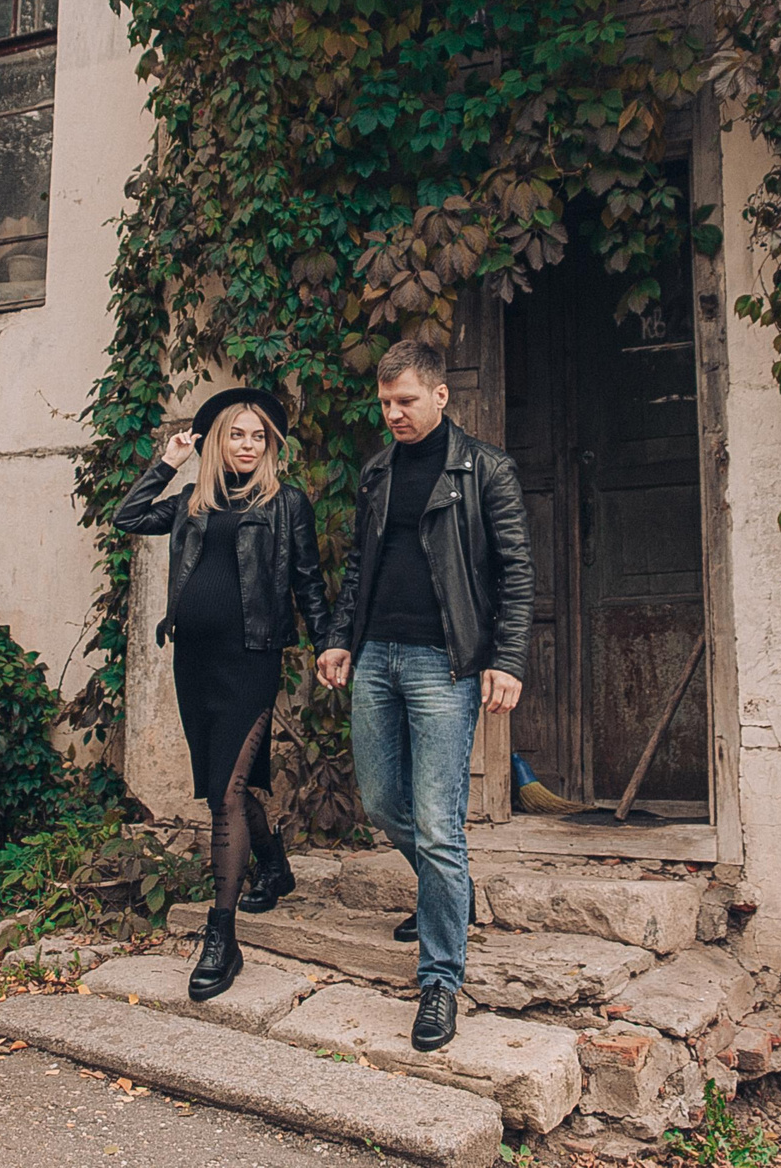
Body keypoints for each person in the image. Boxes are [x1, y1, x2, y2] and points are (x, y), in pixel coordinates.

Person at [315, 339, 532, 1052]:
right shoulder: (378, 471)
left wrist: (506, 659)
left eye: (404, 400)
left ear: (440, 395)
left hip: (445, 663)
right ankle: (449, 895)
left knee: (440, 825)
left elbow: (515, 571)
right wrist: (340, 638)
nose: (393, 414)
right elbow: (359, 566)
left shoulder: (486, 469)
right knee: (383, 803)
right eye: (385, 403)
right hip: (377, 655)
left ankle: (440, 979)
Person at [113, 387, 330, 1002]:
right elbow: (128, 517)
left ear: (270, 446)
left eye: (258, 436)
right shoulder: (191, 501)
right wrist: (168, 460)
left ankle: (222, 935)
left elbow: (309, 582)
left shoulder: (286, 503)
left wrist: (329, 647)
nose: (248, 445)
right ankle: (275, 866)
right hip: (194, 662)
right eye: (237, 434)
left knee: (227, 792)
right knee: (221, 785)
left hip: (251, 660)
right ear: (215, 441)